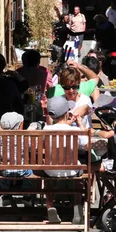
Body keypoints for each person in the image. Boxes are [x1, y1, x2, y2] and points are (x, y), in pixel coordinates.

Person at [42, 96, 90, 224]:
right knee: (79, 172)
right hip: (71, 170)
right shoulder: (74, 130)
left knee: (48, 176)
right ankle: (77, 205)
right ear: (67, 113)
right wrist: (80, 124)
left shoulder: (46, 129)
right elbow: (86, 145)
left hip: (50, 171)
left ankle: (50, 206)